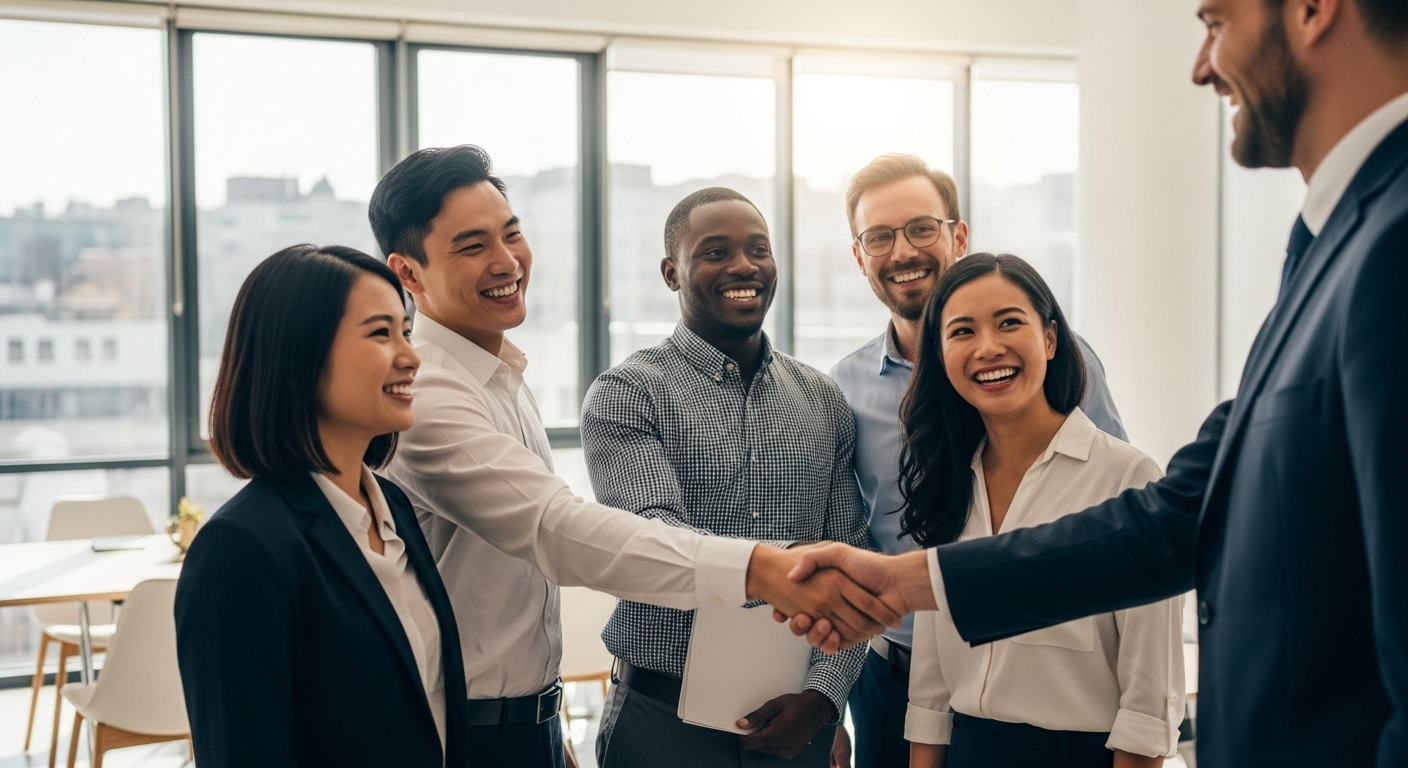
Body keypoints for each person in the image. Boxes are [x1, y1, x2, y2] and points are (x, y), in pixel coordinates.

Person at [784, 0, 1408, 765]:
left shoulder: (1392, 237)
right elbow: (1173, 521)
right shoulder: (1330, 240)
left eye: (1215, 22)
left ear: (1314, 11)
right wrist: (911, 582)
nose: (1201, 66)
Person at [370, 146, 896, 767]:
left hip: (532, 719)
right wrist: (765, 568)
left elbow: (851, 538)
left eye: (511, 234)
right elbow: (560, 530)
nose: (506, 260)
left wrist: (826, 694)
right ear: (408, 272)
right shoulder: (434, 392)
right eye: (471, 245)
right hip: (535, 725)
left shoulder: (499, 379)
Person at [826, 154, 1127, 768]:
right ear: (859, 257)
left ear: (958, 236)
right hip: (899, 676)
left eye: (921, 228)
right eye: (879, 237)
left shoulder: (1062, 362)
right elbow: (841, 535)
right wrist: (829, 700)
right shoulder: (844, 390)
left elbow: (1116, 512)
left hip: (1043, 673)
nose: (902, 250)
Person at [581, 188, 870, 767]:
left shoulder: (822, 399)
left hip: (798, 722)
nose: (743, 266)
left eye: (758, 249)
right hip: (663, 725)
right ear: (672, 272)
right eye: (715, 252)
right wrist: (789, 561)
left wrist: (825, 696)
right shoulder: (627, 394)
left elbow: (854, 556)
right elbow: (653, 539)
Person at [174, 245, 472, 768]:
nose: (411, 355)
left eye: (406, 330)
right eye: (381, 333)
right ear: (299, 357)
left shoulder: (393, 507)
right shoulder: (242, 548)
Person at [896, 252, 1181, 768]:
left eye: (1009, 323)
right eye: (962, 332)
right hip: (968, 752)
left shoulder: (1127, 478)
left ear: (1049, 339)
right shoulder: (946, 479)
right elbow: (931, 683)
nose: (988, 348)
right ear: (939, 354)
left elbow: (1148, 698)